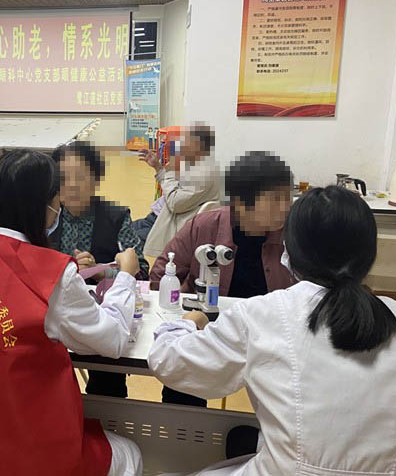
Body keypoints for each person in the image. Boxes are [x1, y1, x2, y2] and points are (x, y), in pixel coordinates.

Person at [148, 186, 396, 475]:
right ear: (370, 254)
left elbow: (171, 362)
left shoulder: (264, 315)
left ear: (291, 250)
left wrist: (185, 323)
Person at [0, 150, 143, 476]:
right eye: (58, 194)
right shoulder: (51, 275)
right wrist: (125, 277)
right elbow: (112, 339)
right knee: (131, 453)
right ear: (44, 206)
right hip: (33, 454)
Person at [149, 151, 295, 405]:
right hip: (212, 332)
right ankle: (183, 426)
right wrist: (184, 314)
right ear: (240, 203)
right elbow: (160, 275)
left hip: (271, 337)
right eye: (275, 200)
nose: (286, 208)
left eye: (288, 198)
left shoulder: (293, 236)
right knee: (182, 378)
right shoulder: (204, 226)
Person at [50, 140, 149, 399]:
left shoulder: (115, 217)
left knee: (107, 378)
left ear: (96, 179)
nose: (72, 185)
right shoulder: (46, 216)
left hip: (102, 313)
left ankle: (105, 415)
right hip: (52, 313)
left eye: (80, 176)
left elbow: (141, 271)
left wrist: (101, 272)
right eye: (63, 178)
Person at [136, 123, 221, 256]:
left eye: (185, 140)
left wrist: (170, 172)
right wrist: (158, 167)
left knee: (121, 236)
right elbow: (171, 187)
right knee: (120, 227)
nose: (180, 144)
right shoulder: (193, 163)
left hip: (167, 225)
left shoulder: (203, 174)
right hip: (158, 216)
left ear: (197, 145)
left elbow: (175, 203)